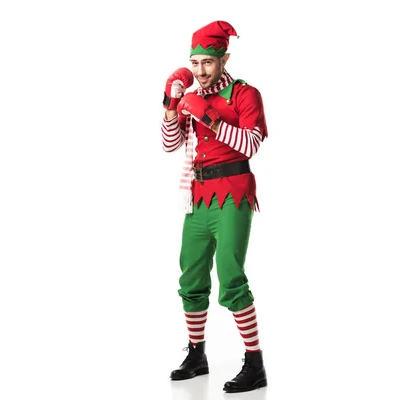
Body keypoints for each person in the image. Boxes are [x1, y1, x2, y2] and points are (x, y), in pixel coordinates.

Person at [160, 20, 269, 393]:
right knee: (190, 275)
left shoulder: (244, 94)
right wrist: (172, 107)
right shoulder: (192, 95)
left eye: (208, 62)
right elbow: (170, 144)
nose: (201, 71)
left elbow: (251, 145)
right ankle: (197, 354)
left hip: (234, 193)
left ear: (224, 59)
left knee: (230, 275)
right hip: (198, 195)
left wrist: (206, 114)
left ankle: (254, 363)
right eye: (195, 63)